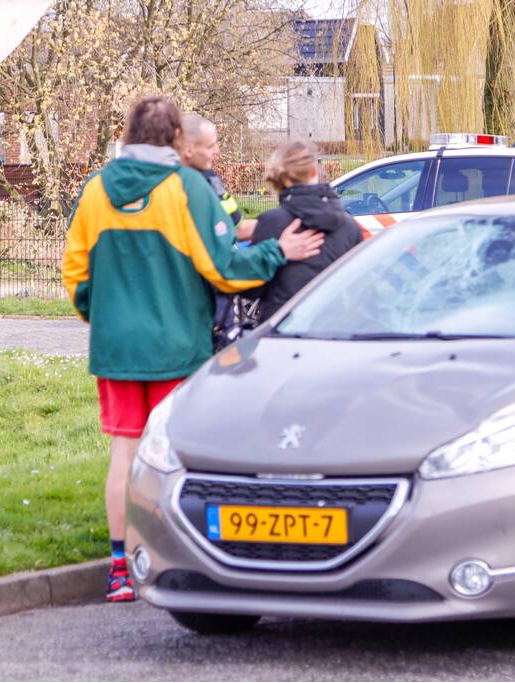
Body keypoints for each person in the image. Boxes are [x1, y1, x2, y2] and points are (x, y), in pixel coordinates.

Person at [61, 97, 323, 603]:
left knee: (125, 453)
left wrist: (105, 316)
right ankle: (171, 559)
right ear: (177, 138)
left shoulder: (94, 190)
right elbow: (223, 268)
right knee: (176, 455)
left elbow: (75, 274)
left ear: (127, 133)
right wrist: (278, 252)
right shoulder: (185, 189)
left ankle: (120, 570)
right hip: (177, 346)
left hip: (115, 350)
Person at [250, 140, 362, 322]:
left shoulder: (271, 222)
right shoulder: (350, 226)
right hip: (337, 331)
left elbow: (251, 288)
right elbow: (361, 288)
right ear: (314, 171)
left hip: (282, 331)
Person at [176, 112, 256, 241]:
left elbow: (237, 228)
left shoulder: (211, 178)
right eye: (210, 146)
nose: (217, 151)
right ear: (188, 150)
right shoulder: (168, 184)